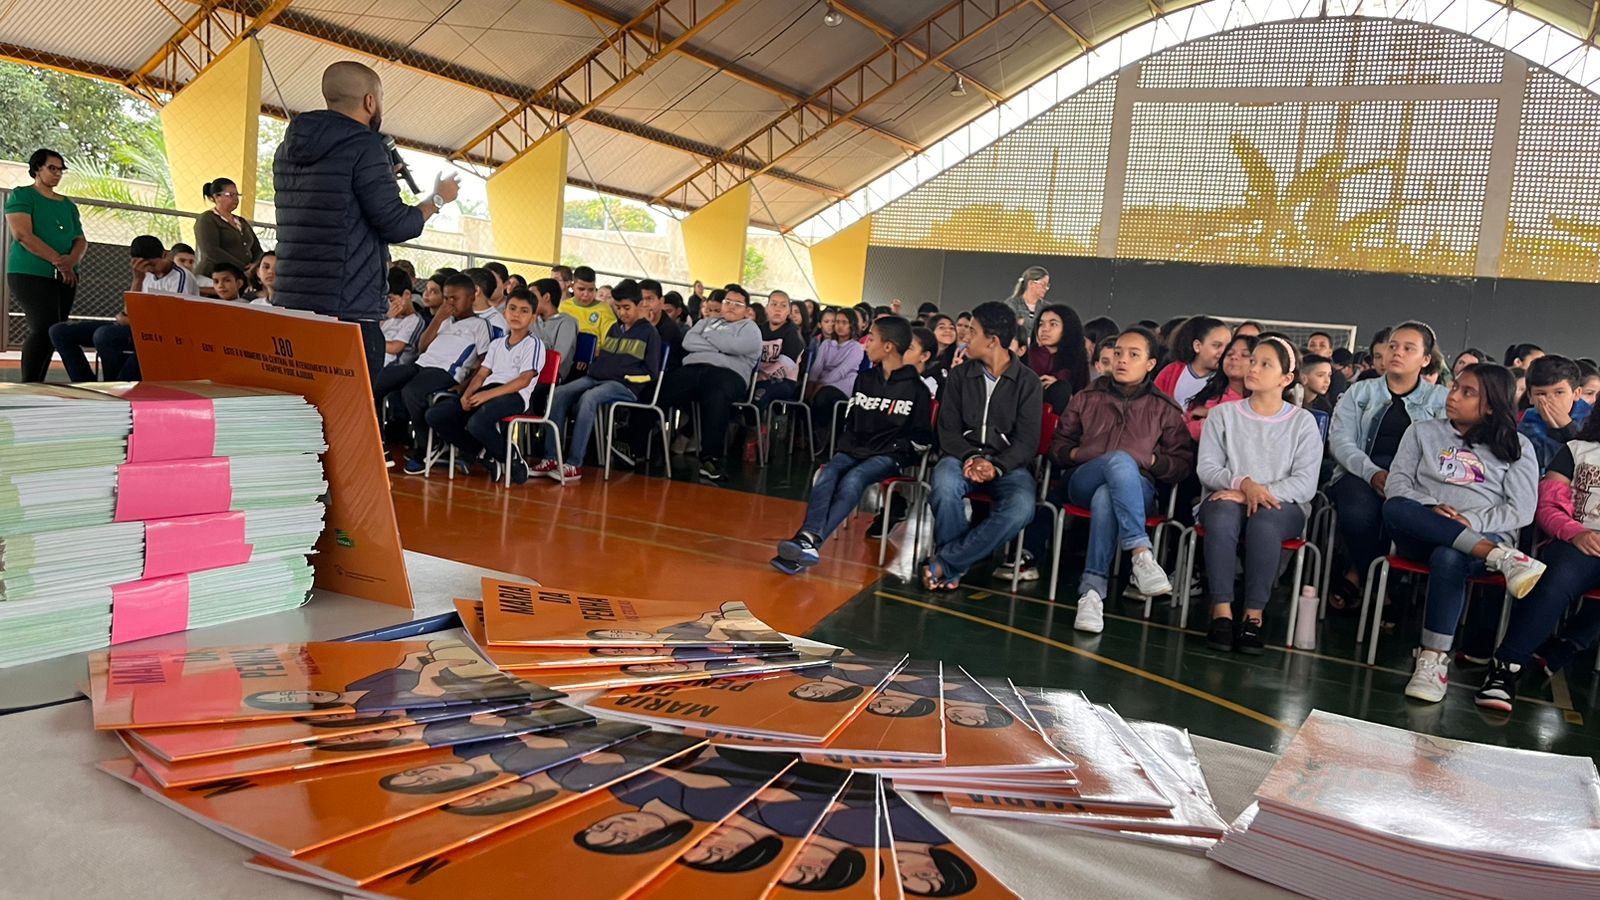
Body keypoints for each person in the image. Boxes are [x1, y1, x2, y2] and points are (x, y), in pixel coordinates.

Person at [272, 60, 460, 381]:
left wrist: (382, 181)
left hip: (292, 304)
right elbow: (397, 224)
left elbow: (333, 207)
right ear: (370, 101)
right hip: (346, 310)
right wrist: (438, 199)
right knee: (350, 418)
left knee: (301, 410)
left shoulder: (286, 149)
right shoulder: (367, 145)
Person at [1381, 363, 1542, 703]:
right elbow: (1397, 485)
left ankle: (1432, 659)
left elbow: (1521, 510)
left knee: (1450, 553)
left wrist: (1469, 520)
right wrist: (1431, 507)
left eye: (1467, 392)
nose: (1452, 396)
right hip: (1421, 530)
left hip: (1481, 535)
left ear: (1490, 405)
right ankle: (1500, 558)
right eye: (1454, 387)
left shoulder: (1517, 445)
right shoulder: (1422, 432)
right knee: (1393, 506)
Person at [1048, 327, 1195, 632]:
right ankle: (1141, 553)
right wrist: (1086, 454)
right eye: (1117, 353)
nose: (1122, 360)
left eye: (1133, 354)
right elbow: (1058, 447)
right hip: (1083, 481)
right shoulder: (1087, 397)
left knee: (1108, 495)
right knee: (1116, 462)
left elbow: (1181, 464)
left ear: (1151, 364)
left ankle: (1091, 594)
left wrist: (1152, 461)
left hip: (1137, 488)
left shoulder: (1164, 408)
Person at [774, 317, 931, 575]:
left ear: (889, 346)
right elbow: (852, 420)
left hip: (889, 454)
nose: (866, 344)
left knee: (854, 479)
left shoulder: (917, 390)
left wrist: (895, 446)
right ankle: (808, 538)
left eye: (871, 339)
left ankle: (811, 543)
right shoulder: (865, 379)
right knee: (828, 473)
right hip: (855, 448)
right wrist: (847, 447)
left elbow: (922, 437)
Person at [1195, 337, 1323, 653]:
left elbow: (1305, 484)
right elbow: (1207, 468)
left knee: (1264, 522)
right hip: (1227, 497)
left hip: (1283, 505)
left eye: (1265, 364)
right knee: (1223, 517)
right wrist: (1243, 485)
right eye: (1253, 360)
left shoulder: (1302, 423)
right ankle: (1221, 611)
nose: (1253, 368)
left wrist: (1256, 493)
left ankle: (1254, 615)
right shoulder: (1223, 415)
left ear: (1286, 379)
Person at [1478, 411, 1600, 711]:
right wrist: (1576, 533)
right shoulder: (1575, 451)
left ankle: (1566, 645)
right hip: (1575, 540)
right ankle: (1506, 666)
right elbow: (1547, 507)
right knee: (1559, 579)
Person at [1326, 321, 1448, 610]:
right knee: (1357, 512)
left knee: (1403, 516)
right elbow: (1341, 442)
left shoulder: (1440, 399)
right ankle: (1382, 588)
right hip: (1361, 471)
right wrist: (1372, 473)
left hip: (1417, 479)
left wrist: (1402, 481)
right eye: (1393, 346)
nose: (1397, 353)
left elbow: (1445, 450)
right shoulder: (1360, 392)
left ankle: (1358, 577)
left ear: (1426, 359)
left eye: (1408, 348)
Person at [923, 302, 1042, 592]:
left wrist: (996, 465)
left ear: (992, 340)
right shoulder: (960, 376)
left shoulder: (1028, 382)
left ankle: (946, 563)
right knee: (945, 484)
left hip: (1008, 466)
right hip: (961, 457)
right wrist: (971, 456)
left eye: (972, 332)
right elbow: (947, 430)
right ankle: (951, 567)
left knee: (1022, 507)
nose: (965, 338)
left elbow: (1027, 442)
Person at [538, 279, 661, 484]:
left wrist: (625, 378)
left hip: (625, 386)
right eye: (618, 308)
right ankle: (551, 457)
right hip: (596, 379)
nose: (622, 313)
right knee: (559, 393)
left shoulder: (650, 333)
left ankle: (574, 464)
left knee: (589, 398)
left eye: (626, 308)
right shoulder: (614, 328)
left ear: (640, 305)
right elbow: (604, 358)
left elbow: (652, 372)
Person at [423, 290, 545, 484]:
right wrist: (468, 394)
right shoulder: (497, 344)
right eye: (512, 309)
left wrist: (486, 396)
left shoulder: (533, 344)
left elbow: (524, 380)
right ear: (504, 312)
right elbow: (481, 374)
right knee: (435, 415)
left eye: (523, 311)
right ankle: (483, 451)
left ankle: (511, 457)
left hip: (514, 395)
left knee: (477, 423)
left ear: (532, 317)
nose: (516, 314)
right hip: (486, 391)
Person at [51, 234, 196, 383]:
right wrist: (137, 279)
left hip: (161, 336)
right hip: (138, 328)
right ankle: (84, 383)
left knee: (105, 335)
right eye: (144, 267)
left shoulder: (181, 277)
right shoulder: (143, 274)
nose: (150, 270)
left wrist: (127, 319)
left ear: (165, 255)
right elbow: (128, 312)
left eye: (152, 265)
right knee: (59, 331)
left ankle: (113, 385)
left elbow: (169, 322)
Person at [383, 274, 491, 472]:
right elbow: (423, 346)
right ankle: (377, 439)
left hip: (446, 371)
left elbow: (485, 360)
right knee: (379, 382)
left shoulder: (480, 325)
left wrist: (466, 385)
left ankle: (428, 446)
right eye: (447, 298)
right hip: (421, 364)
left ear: (471, 298)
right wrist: (439, 318)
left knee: (411, 392)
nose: (449, 303)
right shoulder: (445, 320)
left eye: (455, 298)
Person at [657, 284, 762, 482]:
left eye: (737, 304)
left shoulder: (750, 328)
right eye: (728, 302)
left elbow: (735, 346)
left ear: (747, 310)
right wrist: (722, 347)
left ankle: (710, 458)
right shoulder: (706, 321)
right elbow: (689, 342)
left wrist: (710, 338)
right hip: (694, 369)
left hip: (728, 375)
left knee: (717, 394)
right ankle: (634, 441)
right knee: (661, 387)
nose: (731, 306)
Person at [5, 148, 84, 382]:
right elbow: (22, 234)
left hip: (65, 275)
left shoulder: (68, 205)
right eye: (52, 168)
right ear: (37, 169)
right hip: (30, 272)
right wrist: (59, 261)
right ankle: (28, 383)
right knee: (43, 326)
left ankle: (38, 381)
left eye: (61, 170)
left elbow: (80, 239)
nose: (57, 173)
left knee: (55, 330)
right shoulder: (23, 195)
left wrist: (70, 262)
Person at [1519, 355, 1591, 474]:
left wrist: (1567, 427)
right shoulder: (1528, 424)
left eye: (1559, 392)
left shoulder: (1592, 419)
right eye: (1541, 394)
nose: (1550, 400)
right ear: (1530, 397)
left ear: (1576, 393)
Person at [1180, 333, 1253, 442]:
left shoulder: (1260, 401)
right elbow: (1184, 429)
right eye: (1229, 354)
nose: (1234, 357)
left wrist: (1211, 414)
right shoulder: (1209, 395)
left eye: (1245, 355)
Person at [806, 307, 865, 433]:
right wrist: (811, 384)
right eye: (837, 322)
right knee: (800, 394)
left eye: (844, 323)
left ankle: (821, 432)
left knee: (823, 397)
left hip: (843, 385)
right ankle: (807, 435)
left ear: (852, 325)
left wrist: (819, 386)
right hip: (821, 383)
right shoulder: (826, 344)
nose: (839, 326)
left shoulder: (856, 348)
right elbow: (817, 367)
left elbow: (841, 371)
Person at [193, 177, 264, 278]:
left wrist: (255, 265)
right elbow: (211, 251)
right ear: (216, 197)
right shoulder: (207, 219)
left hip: (240, 277)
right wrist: (241, 268)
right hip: (214, 276)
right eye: (230, 195)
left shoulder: (241, 222)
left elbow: (257, 249)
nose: (236, 199)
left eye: (237, 195)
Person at [1024, 304, 1091, 412]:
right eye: (1041, 324)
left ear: (1068, 328)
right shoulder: (1027, 356)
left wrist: (1059, 387)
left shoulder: (1076, 361)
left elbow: (1084, 399)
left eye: (1053, 324)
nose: (1045, 329)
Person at [1155, 315, 1231, 409]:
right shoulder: (1171, 372)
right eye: (1216, 345)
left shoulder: (1229, 379)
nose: (1223, 352)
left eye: (1228, 347)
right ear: (1197, 346)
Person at [754, 290, 804, 411]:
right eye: (774, 304)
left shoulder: (792, 333)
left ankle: (758, 428)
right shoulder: (757, 330)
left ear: (788, 311)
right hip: (756, 378)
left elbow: (786, 364)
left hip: (783, 381)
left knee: (758, 396)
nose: (778, 309)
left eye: (783, 305)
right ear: (767, 308)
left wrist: (759, 377)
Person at [527, 278, 577, 385]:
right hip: (525, 369)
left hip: (550, 375)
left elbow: (558, 358)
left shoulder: (567, 323)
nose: (528, 301)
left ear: (546, 297)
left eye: (533, 296)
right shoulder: (532, 319)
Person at [568, 265, 617, 353]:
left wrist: (587, 354)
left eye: (591, 290)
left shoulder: (604, 310)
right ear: (572, 286)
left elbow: (610, 343)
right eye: (581, 289)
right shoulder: (563, 307)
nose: (586, 294)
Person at [380, 268, 424, 367]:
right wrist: (385, 318)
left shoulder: (414, 320)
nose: (388, 304)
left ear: (407, 295)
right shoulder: (387, 316)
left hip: (391, 366)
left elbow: (395, 348)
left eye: (391, 299)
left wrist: (372, 342)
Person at [1002, 265, 1050, 335]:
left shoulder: (1047, 308)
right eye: (1043, 284)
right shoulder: (1011, 304)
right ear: (1031, 283)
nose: (1046, 288)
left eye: (1047, 285)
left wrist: (1022, 322)